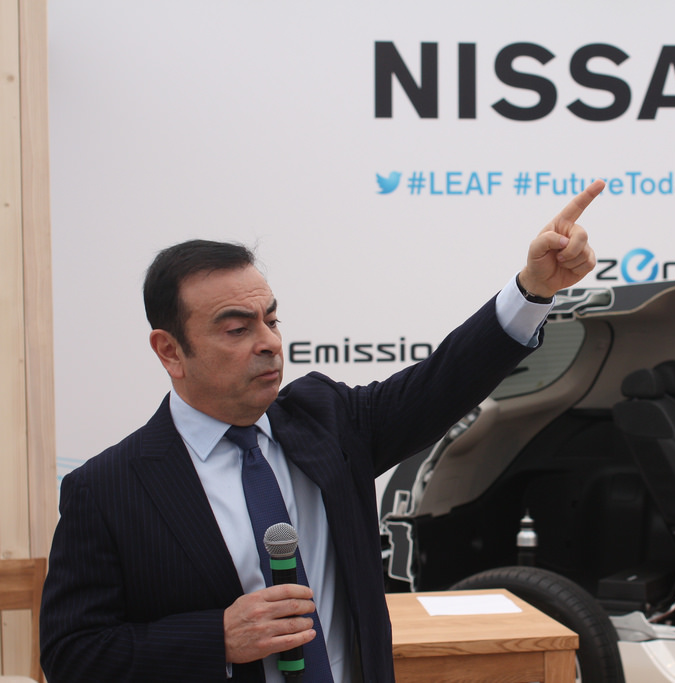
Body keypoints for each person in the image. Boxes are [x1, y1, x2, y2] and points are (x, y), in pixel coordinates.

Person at [39, 180, 604, 683]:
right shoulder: (108, 489)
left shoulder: (328, 421)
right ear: (170, 351)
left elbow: (444, 380)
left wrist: (533, 289)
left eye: (271, 320)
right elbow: (72, 653)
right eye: (237, 329)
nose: (268, 342)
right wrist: (217, 639)